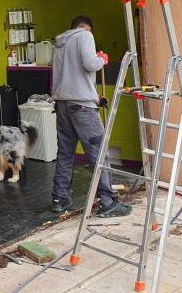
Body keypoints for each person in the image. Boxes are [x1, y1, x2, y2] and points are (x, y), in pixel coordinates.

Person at [50, 16, 131, 218]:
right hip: (81, 108)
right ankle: (108, 202)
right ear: (87, 28)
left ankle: (60, 199)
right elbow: (89, 64)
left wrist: (95, 98)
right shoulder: (85, 36)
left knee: (65, 153)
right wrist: (101, 59)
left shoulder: (60, 43)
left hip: (63, 105)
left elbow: (73, 76)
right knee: (99, 153)